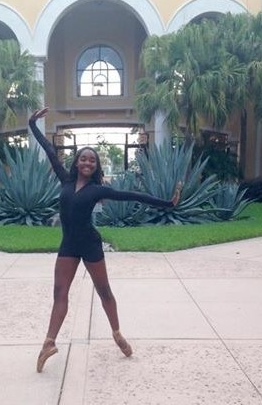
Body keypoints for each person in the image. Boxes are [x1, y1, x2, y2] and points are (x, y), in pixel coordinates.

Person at [29, 108, 182, 373]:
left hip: (90, 244)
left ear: (96, 166)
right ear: (77, 162)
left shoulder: (99, 189)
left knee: (104, 292)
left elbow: (133, 196)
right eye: (83, 159)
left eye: (92, 161)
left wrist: (168, 203)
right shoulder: (64, 180)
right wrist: (32, 123)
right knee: (59, 293)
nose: (87, 163)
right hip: (68, 246)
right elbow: (49, 150)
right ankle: (49, 342)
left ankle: (116, 333)